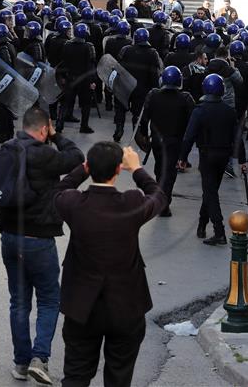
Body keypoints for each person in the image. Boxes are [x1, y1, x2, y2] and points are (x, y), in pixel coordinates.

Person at [53, 143, 167, 387]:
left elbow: (59, 189)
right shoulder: (131, 202)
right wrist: (137, 169)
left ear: (89, 168)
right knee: (119, 375)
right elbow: (158, 196)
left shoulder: (75, 204)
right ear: (118, 170)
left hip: (82, 303)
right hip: (125, 303)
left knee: (76, 374)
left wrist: (82, 170)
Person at [0, 106, 84, 385]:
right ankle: (39, 358)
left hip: (9, 236)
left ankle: (20, 363)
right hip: (39, 238)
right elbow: (77, 158)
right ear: (44, 129)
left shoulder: (7, 150)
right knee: (48, 299)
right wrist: (57, 137)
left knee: (18, 301)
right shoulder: (45, 153)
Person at [180, 74, 248, 245]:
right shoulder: (229, 111)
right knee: (210, 191)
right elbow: (237, 136)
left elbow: (189, 136)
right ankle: (202, 224)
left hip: (207, 155)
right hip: (224, 155)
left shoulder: (200, 110)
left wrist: (183, 157)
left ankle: (219, 231)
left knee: (210, 192)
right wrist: (242, 159)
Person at [138, 66, 196, 217]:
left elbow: (144, 118)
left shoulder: (153, 94)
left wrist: (144, 134)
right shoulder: (186, 98)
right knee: (169, 173)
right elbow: (192, 124)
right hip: (175, 141)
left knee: (160, 168)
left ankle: (161, 197)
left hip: (157, 140)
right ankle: (163, 202)